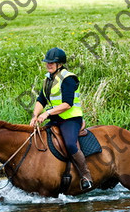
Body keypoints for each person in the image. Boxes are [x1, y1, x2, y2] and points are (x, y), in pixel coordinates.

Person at [30, 47, 93, 190]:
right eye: (47, 62)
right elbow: (41, 100)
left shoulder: (68, 78)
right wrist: (35, 116)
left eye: (51, 63)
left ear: (60, 64)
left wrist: (47, 113)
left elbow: (67, 104)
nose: (48, 65)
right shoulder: (48, 78)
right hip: (56, 119)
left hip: (70, 119)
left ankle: (86, 176)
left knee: (70, 144)